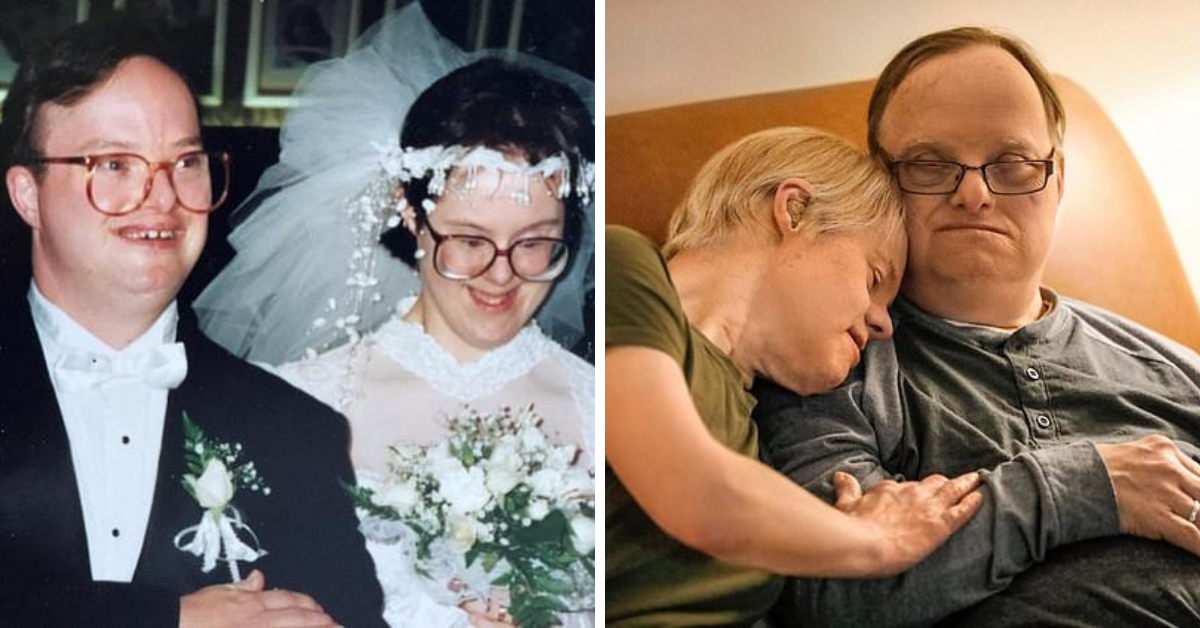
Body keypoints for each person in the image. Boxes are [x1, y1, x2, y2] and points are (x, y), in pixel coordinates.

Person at [753, 27, 1200, 628]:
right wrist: (1089, 486)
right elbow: (831, 594)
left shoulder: (1173, 367)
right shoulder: (830, 359)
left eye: (1012, 164)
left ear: (1058, 181)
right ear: (880, 180)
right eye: (930, 164)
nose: (973, 193)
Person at [193, 5, 595, 627]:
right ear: (412, 218)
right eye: (468, 239)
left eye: (536, 242)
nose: (501, 273)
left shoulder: (603, 405)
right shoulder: (302, 400)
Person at [0, 18, 386, 628]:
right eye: (115, 164)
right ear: (28, 194)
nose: (163, 197)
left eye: (185, 161)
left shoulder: (296, 431)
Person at [606, 126, 985, 626]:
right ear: (794, 210)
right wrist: (877, 539)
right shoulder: (623, 266)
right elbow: (696, 494)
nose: (884, 323)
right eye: (874, 278)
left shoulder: (760, 433)